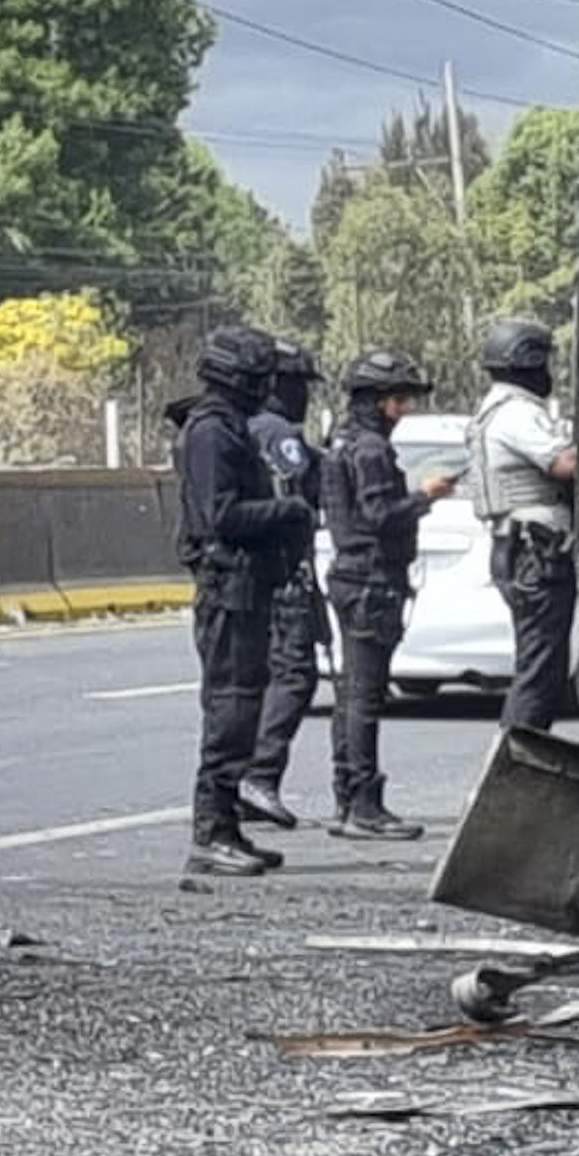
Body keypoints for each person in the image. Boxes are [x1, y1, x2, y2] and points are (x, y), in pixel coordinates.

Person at [168, 324, 314, 880]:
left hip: (249, 587)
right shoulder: (211, 432)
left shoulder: (232, 426)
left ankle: (227, 827)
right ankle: (210, 833)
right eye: (258, 379)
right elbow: (221, 516)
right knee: (230, 710)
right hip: (228, 590)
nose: (266, 389)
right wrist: (288, 512)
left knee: (245, 706)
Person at [323, 350, 457, 841]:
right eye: (398, 400)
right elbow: (380, 516)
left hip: (355, 576)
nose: (404, 410)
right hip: (371, 579)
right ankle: (363, 804)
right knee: (364, 695)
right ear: (376, 401)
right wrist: (425, 496)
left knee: (351, 695)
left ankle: (349, 799)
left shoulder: (342, 444)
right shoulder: (371, 450)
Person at [465, 315, 579, 731]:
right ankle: (517, 757)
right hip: (536, 551)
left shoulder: (493, 409)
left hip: (522, 548)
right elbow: (564, 464)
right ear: (528, 363)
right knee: (540, 669)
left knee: (541, 663)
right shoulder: (516, 412)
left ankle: (523, 753)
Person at [237, 341, 328, 833]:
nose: (304, 397)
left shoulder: (239, 426)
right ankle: (260, 774)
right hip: (284, 574)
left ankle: (239, 777)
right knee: (294, 674)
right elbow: (299, 493)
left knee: (255, 678)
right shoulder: (278, 433)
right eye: (298, 385)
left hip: (250, 575)